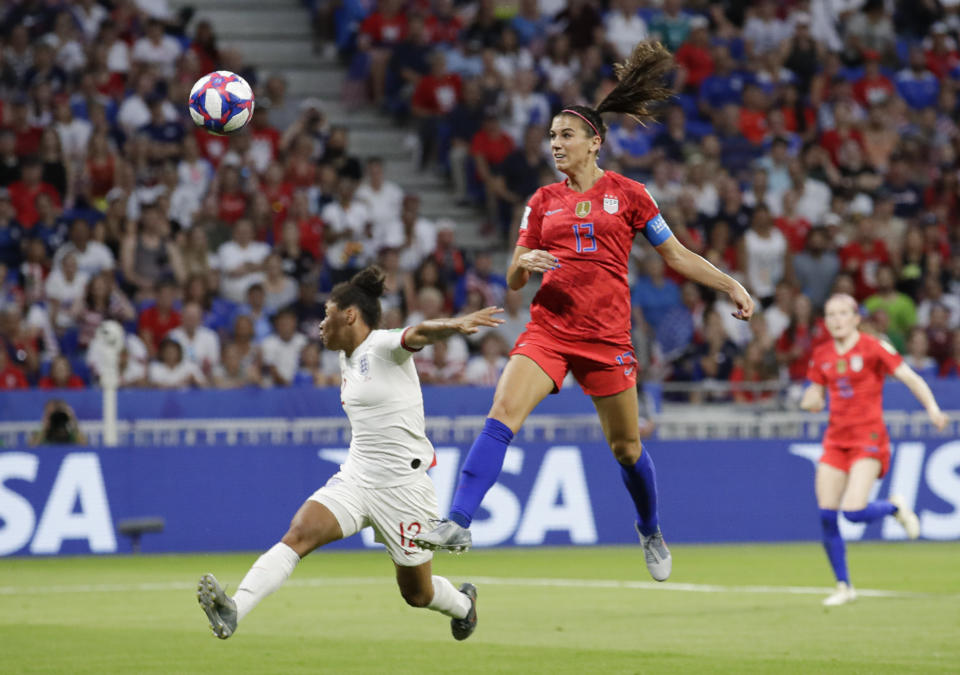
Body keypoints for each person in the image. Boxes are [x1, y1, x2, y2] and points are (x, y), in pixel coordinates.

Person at [413, 42, 754, 582]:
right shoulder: (542, 201)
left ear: (595, 142)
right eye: (551, 137)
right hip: (548, 331)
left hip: (606, 339)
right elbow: (514, 280)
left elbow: (675, 254)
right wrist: (523, 262)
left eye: (565, 135)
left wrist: (729, 284)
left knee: (626, 448)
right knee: (502, 414)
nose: (556, 144)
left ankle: (650, 528)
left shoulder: (631, 194)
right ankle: (457, 520)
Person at [197, 266, 503, 641]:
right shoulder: (346, 359)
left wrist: (455, 324)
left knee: (417, 593)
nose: (321, 325)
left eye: (327, 314)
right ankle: (234, 609)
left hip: (403, 488)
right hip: (357, 479)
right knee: (299, 533)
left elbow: (419, 333)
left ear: (350, 315)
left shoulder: (383, 346)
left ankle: (463, 606)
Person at [800, 293, 948, 607]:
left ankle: (894, 507)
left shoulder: (873, 346)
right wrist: (810, 401)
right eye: (831, 314)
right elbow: (813, 395)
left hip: (869, 437)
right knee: (827, 513)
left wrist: (933, 409)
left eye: (843, 313)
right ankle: (844, 585)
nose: (837, 319)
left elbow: (910, 377)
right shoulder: (822, 354)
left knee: (853, 512)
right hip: (835, 441)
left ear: (856, 318)